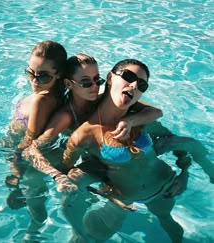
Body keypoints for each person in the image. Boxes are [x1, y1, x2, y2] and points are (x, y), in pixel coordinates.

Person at [61, 58, 214, 242]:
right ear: (110, 78)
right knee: (92, 235)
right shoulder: (85, 134)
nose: (134, 85)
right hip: (125, 197)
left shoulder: (140, 119)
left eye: (142, 85)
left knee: (171, 227)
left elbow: (176, 143)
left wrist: (184, 172)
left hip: (166, 186)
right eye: (128, 76)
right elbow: (67, 172)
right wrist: (98, 191)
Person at [21, 53, 163, 235]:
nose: (95, 87)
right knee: (41, 204)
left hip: (86, 147)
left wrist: (131, 120)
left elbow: (156, 111)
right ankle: (32, 232)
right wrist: (57, 176)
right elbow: (30, 150)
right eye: (87, 83)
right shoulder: (65, 116)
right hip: (56, 150)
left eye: (98, 80)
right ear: (69, 84)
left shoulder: (104, 97)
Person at [0, 40, 67, 190]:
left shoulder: (40, 101)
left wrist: (16, 172)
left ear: (59, 74)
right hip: (30, 154)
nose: (35, 81)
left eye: (43, 76)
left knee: (34, 205)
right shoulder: (56, 96)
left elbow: (28, 142)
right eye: (31, 73)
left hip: (21, 158)